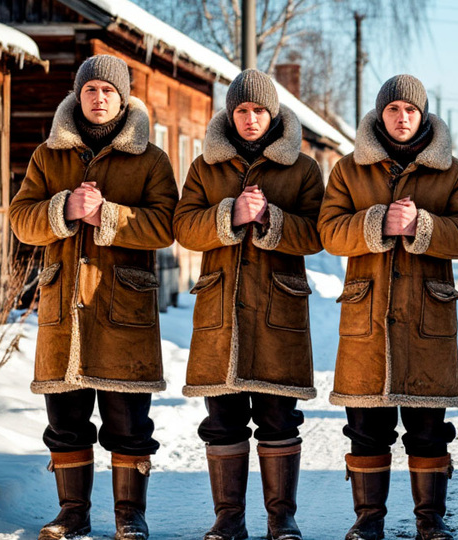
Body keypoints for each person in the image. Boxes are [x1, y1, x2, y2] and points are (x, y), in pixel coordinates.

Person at [8, 54, 178, 540]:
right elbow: (22, 218)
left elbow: (167, 225)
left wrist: (108, 215)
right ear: (77, 95)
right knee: (65, 423)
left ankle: (130, 515)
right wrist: (63, 207)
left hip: (123, 309)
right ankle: (72, 513)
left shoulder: (151, 158)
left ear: (123, 97)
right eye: (90, 90)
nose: (99, 99)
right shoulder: (49, 154)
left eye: (108, 91)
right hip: (64, 309)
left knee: (128, 424)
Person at [318, 74, 458, 540]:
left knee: (429, 429)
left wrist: (423, 225)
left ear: (424, 114)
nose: (402, 116)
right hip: (365, 319)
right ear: (380, 114)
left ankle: (430, 522)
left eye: (411, 109)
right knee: (366, 428)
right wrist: (377, 222)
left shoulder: (450, 171)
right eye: (393, 109)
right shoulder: (349, 170)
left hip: (426, 319)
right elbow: (328, 231)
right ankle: (368, 521)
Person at [173, 69, 325, 540]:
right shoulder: (205, 167)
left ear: (273, 113)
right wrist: (229, 216)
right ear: (230, 114)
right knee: (222, 419)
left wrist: (270, 219)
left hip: (278, 311)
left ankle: (282, 519)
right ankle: (229, 518)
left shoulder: (301, 168)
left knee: (279, 417)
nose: (250, 118)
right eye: (242, 110)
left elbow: (320, 234)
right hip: (220, 310)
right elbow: (183, 226)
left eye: (259, 110)